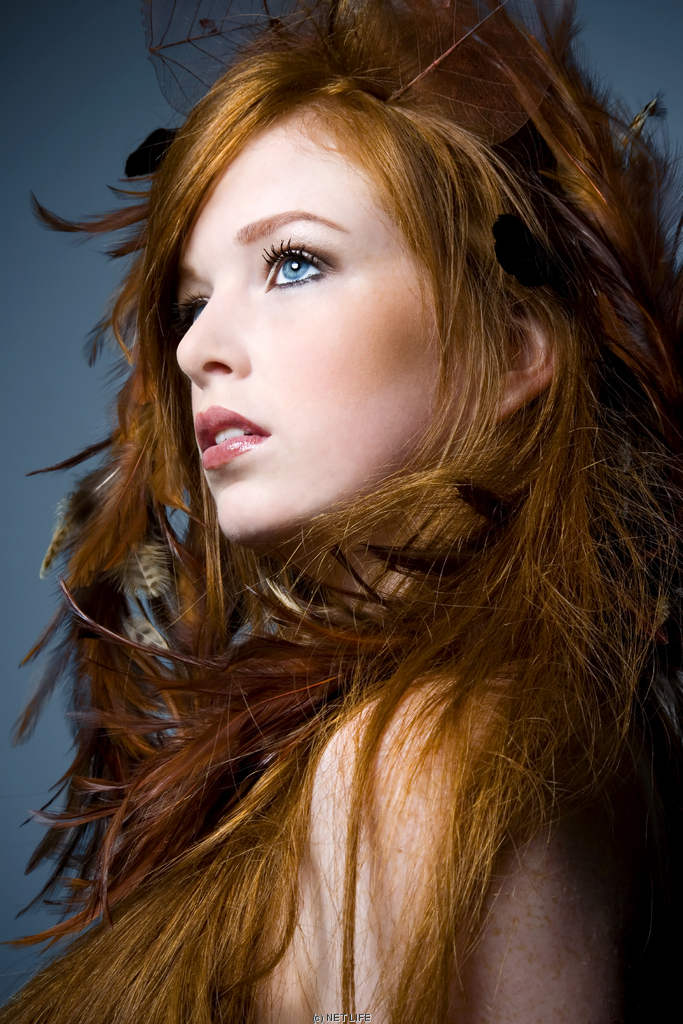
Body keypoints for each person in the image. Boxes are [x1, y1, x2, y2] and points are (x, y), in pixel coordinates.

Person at [3, 1, 683, 1020]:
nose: (196, 348)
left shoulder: (416, 757)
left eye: (293, 262)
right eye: (191, 302)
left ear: (510, 351)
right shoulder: (493, 737)